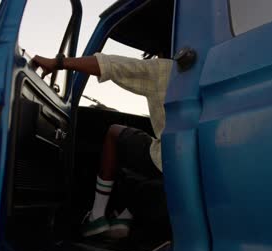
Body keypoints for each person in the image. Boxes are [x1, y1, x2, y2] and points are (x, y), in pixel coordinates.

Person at [30, 52, 173, 238]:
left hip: (167, 157)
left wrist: (57, 62)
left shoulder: (166, 69)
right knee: (145, 153)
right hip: (195, 160)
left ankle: (96, 216)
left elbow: (109, 64)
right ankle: (125, 215)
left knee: (115, 133)